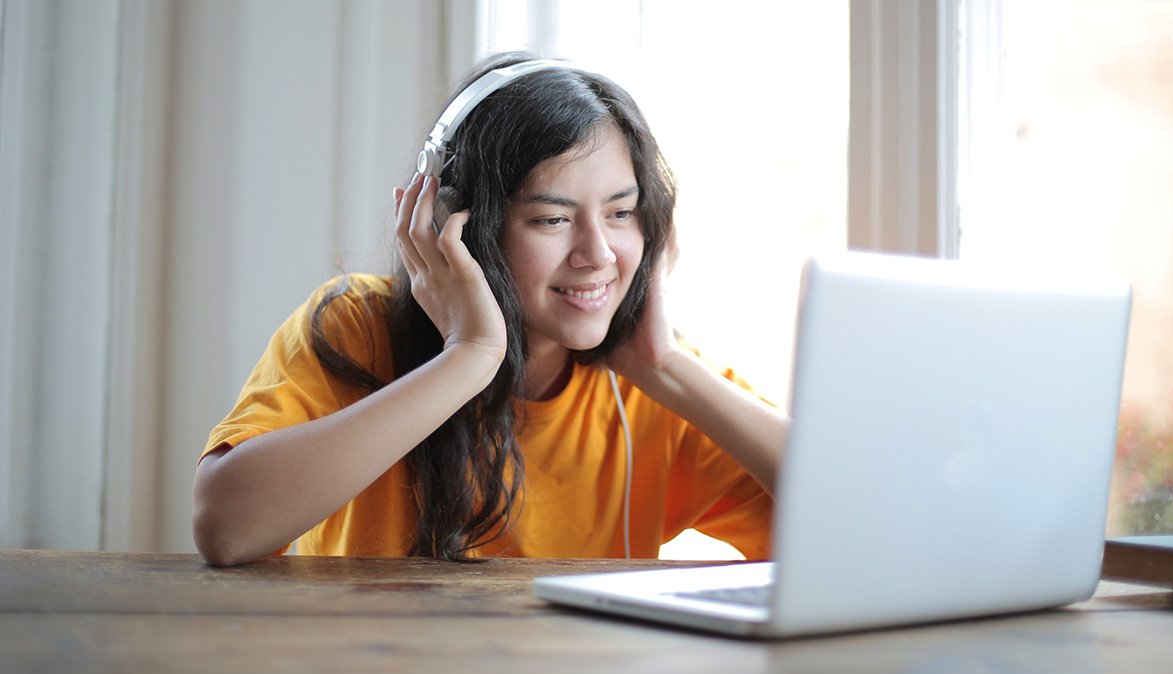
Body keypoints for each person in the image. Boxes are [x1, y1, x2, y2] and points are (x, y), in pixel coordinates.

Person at [192, 52, 787, 567]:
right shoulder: (355, 326)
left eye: (621, 213)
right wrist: (469, 357)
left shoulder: (649, 384)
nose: (598, 254)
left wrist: (665, 369)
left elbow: (863, 524)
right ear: (461, 226)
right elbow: (226, 528)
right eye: (552, 219)